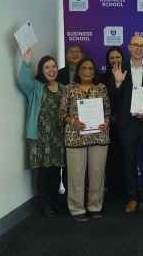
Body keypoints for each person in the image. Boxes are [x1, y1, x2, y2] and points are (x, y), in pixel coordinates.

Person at [107, 35, 143, 214]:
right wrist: (118, 82)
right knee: (128, 162)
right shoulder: (120, 69)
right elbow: (113, 98)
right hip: (128, 124)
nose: (138, 48)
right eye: (135, 45)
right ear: (129, 48)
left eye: (142, 45)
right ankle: (132, 198)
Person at [59, 58, 111, 222]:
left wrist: (106, 122)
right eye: (84, 68)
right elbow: (61, 113)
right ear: (78, 71)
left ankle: (95, 206)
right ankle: (76, 208)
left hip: (99, 136)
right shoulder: (68, 89)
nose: (87, 71)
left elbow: (108, 111)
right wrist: (73, 121)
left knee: (97, 174)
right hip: (75, 137)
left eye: (90, 68)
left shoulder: (101, 88)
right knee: (76, 174)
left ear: (94, 71)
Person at [17, 48, 65, 218]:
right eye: (47, 67)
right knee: (43, 174)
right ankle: (45, 205)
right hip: (39, 137)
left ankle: (54, 201)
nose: (51, 70)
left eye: (54, 66)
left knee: (55, 172)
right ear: (41, 71)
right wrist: (26, 61)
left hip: (57, 137)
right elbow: (22, 81)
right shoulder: (36, 88)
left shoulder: (63, 88)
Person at [100, 47, 127, 194]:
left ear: (122, 58)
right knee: (110, 157)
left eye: (117, 57)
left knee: (126, 156)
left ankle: (125, 189)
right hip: (108, 124)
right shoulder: (102, 77)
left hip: (126, 123)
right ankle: (111, 188)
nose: (115, 60)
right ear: (107, 60)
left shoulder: (128, 75)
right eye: (112, 58)